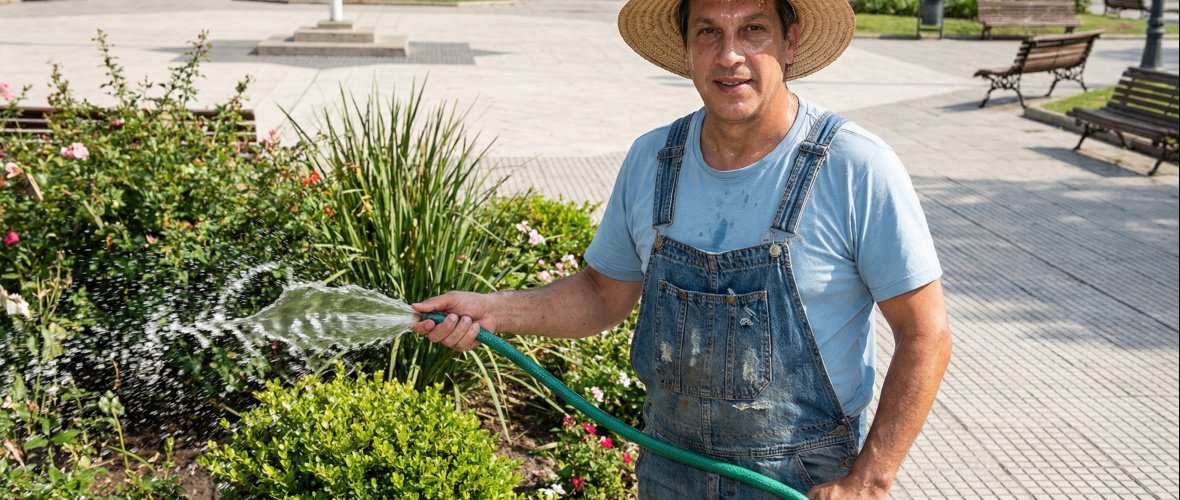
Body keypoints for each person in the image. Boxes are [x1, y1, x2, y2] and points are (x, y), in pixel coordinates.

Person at [412, 0, 952, 497]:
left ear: (789, 42)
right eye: (708, 32)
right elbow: (601, 294)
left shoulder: (854, 167)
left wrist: (869, 480)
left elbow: (926, 334)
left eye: (753, 30)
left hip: (802, 477)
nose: (730, 56)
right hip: (668, 469)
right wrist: (494, 311)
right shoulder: (652, 159)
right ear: (687, 47)